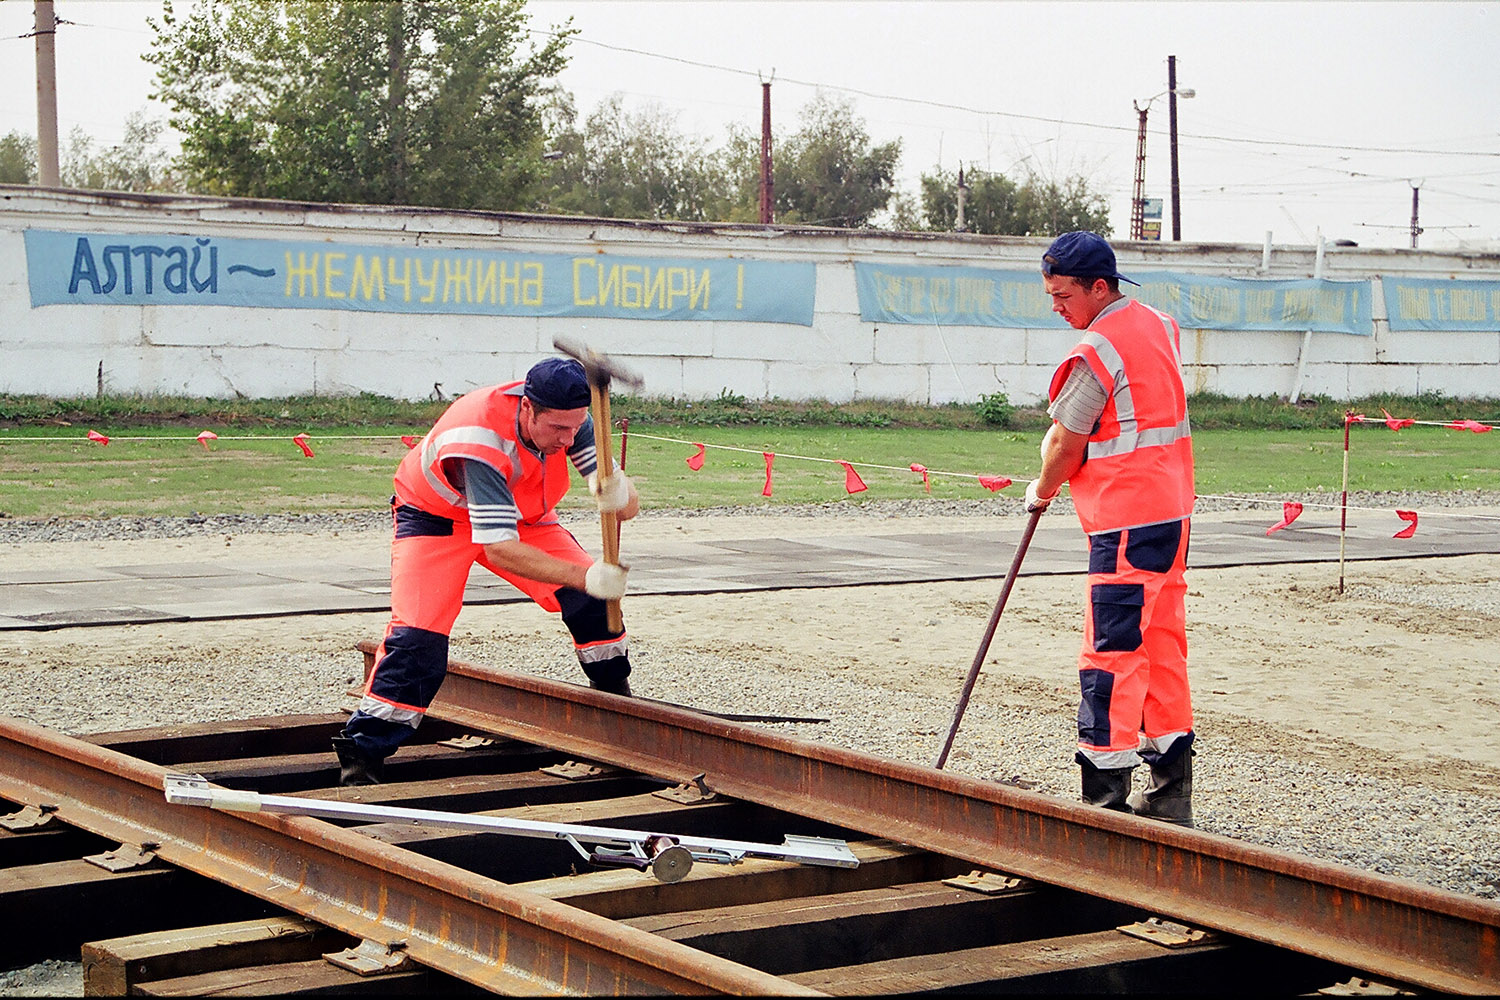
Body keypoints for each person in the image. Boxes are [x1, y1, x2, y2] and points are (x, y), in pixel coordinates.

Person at [332, 357, 639, 785]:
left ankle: (617, 708)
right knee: (418, 641)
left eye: (575, 428)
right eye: (558, 430)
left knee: (594, 603)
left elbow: (628, 508)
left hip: (522, 520)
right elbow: (500, 551)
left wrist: (617, 489)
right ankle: (362, 759)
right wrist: (586, 575)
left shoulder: (573, 417)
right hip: (437, 520)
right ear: (528, 408)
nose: (568, 439)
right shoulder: (479, 439)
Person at [1024, 231, 1197, 826]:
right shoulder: (1159, 325)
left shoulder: (1097, 351)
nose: (1056, 306)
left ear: (1100, 287)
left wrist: (1042, 490)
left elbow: (1065, 443)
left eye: (1063, 294)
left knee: (1111, 654)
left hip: (1124, 523)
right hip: (1172, 514)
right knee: (1162, 646)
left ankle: (1104, 801)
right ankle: (1171, 795)